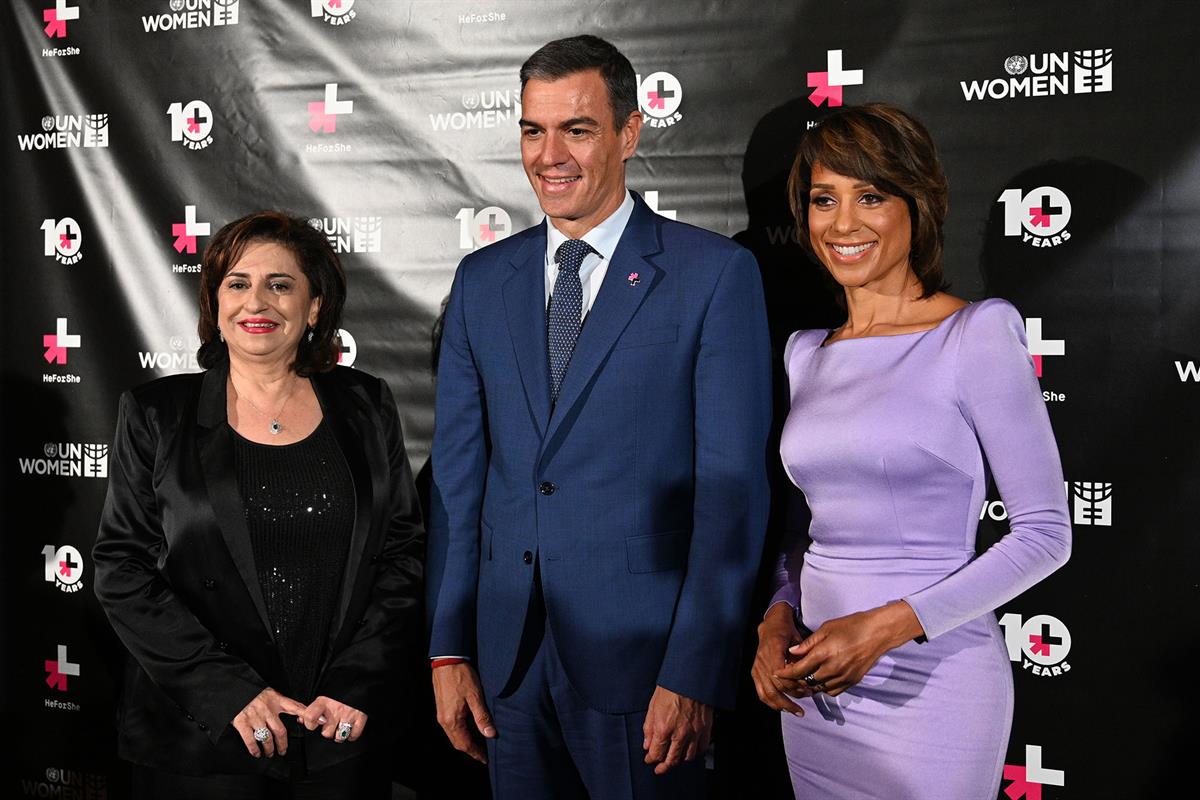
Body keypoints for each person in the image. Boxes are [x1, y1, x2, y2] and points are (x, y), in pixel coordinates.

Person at [425, 34, 772, 799]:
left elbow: (731, 496)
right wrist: (448, 649)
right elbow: (457, 483)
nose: (551, 154)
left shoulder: (713, 277)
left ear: (628, 132)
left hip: (648, 670)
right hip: (507, 666)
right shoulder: (482, 281)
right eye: (532, 130)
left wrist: (695, 669)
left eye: (576, 129)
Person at [751, 102, 1072, 799]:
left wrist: (886, 628)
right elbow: (804, 527)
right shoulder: (806, 353)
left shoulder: (977, 334)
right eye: (823, 200)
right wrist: (777, 616)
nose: (843, 223)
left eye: (870, 196)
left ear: (918, 203)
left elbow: (1046, 535)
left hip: (935, 682)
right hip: (816, 686)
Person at [93, 211, 424, 799]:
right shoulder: (155, 414)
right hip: (202, 741)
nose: (257, 302)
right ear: (215, 305)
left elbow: (401, 554)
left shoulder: (365, 405)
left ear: (315, 306)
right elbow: (123, 569)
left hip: (336, 735)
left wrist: (358, 681)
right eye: (237, 284)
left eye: (280, 284)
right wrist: (227, 692)